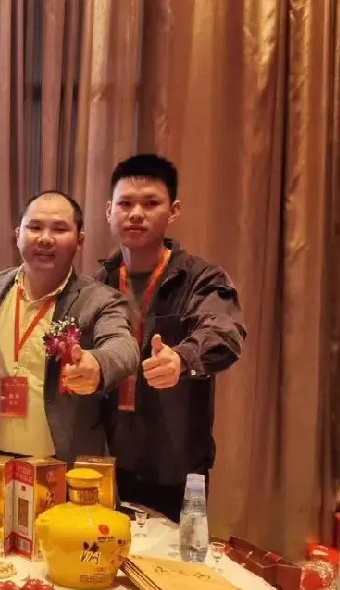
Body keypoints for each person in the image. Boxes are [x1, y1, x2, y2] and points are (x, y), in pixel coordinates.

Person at [96, 153, 246, 520]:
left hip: (174, 467)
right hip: (103, 461)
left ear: (173, 211)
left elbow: (224, 332)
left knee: (173, 556)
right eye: (125, 204)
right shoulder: (97, 284)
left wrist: (182, 359)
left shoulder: (201, 278)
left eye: (151, 204)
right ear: (109, 211)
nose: (136, 214)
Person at [0, 191, 138, 463]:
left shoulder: (99, 300)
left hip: (62, 464)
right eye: (34, 227)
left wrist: (97, 364)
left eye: (59, 229)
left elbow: (123, 346)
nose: (45, 238)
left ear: (80, 240)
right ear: (18, 234)